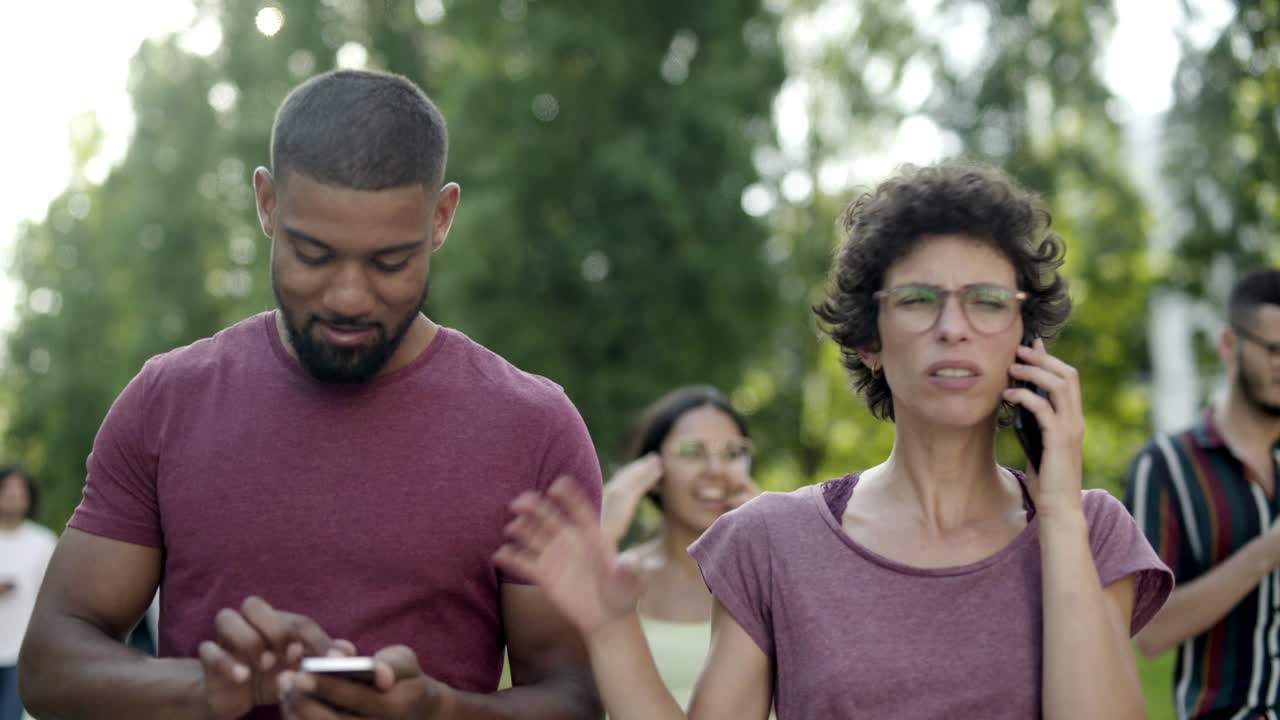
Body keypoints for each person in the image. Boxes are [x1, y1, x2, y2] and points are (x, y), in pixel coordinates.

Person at [18, 69, 603, 720]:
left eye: (389, 262)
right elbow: (49, 666)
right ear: (268, 204)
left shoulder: (532, 427)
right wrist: (205, 690)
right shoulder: (168, 400)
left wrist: (438, 712)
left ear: (440, 219)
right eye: (314, 255)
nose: (349, 297)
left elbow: (577, 697)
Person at [494, 161, 1174, 719]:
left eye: (986, 300)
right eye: (917, 299)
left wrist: (1055, 513)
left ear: (1025, 341)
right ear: (868, 342)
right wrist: (613, 629)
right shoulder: (772, 540)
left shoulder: (1092, 532)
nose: (953, 326)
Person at [1125, 267, 1280, 720]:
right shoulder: (1166, 466)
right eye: (1273, 349)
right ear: (1229, 344)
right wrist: (1266, 554)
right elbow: (1150, 634)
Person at [599, 386, 758, 708]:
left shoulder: (765, 577)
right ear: (653, 472)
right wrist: (602, 529)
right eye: (691, 452)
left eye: (731, 453)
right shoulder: (618, 576)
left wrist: (773, 538)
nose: (715, 470)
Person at [0, 465, 56, 720]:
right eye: (7, 489)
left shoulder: (43, 542)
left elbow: (54, 597)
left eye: (20, 490)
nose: (13, 495)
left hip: (22, 651)